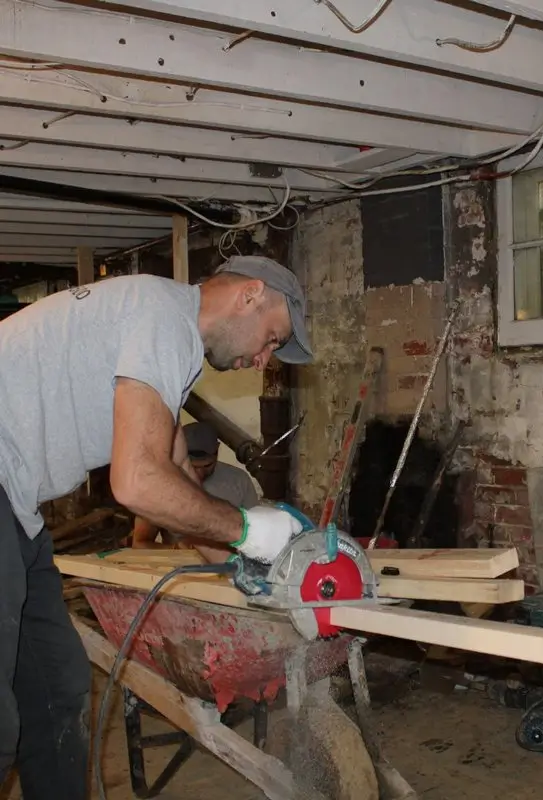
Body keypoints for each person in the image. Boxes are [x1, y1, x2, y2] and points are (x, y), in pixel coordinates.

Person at [0, 254, 313, 799]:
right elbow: (139, 482)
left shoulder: (168, 335)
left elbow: (175, 482)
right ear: (250, 295)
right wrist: (250, 529)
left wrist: (249, 569)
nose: (262, 359)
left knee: (56, 688)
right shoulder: (163, 317)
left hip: (16, 507)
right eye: (270, 338)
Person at [131, 421, 260, 549]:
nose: (199, 473)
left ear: (217, 450)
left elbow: (256, 535)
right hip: (179, 565)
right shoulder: (162, 484)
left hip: (230, 562)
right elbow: (140, 543)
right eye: (193, 467)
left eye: (207, 466)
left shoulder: (239, 481)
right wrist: (175, 550)